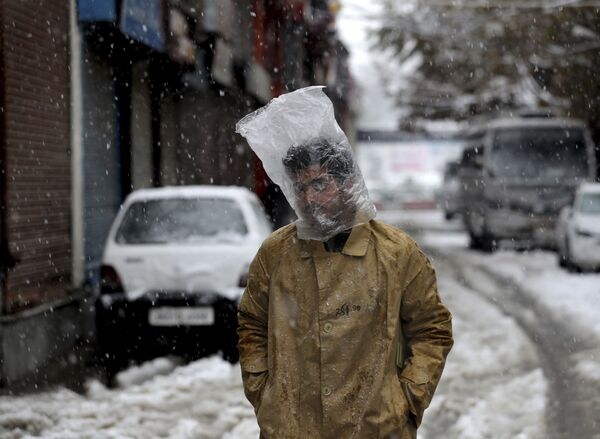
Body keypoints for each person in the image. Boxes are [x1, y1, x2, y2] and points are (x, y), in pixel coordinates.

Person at [237, 137, 453, 439]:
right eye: (300, 188)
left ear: (348, 183)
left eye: (320, 184)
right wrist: (264, 393)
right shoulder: (276, 253)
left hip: (376, 429)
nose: (309, 198)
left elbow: (432, 330)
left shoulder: (396, 253)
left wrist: (407, 399)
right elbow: (252, 324)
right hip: (292, 430)